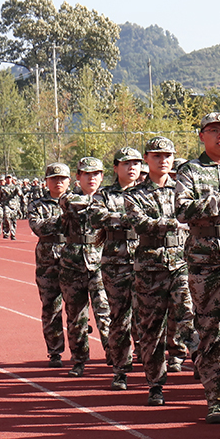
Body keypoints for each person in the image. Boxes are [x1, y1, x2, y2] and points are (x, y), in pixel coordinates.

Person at [175, 113, 220, 423]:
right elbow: (183, 209)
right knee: (210, 329)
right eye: (213, 131)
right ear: (203, 136)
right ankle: (215, 396)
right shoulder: (191, 170)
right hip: (205, 260)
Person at [125, 137, 195, 406]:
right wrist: (174, 224)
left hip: (181, 263)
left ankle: (205, 366)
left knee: (188, 317)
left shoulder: (183, 191)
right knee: (151, 329)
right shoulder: (134, 194)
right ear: (147, 159)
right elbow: (140, 224)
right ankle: (155, 383)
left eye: (168, 155)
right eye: (157, 156)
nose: (163, 160)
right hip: (150, 267)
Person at [57, 157, 112, 376]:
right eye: (86, 174)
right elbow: (72, 204)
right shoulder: (69, 198)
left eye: (96, 174)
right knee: (76, 315)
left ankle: (112, 353)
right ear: (78, 177)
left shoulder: (108, 197)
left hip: (100, 262)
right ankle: (79, 359)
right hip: (73, 264)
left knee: (104, 312)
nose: (91, 178)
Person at [95, 147, 144, 391]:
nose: (132, 167)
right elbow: (97, 217)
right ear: (116, 168)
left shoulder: (147, 192)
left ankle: (153, 368)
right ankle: (121, 369)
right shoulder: (104, 195)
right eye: (126, 163)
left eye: (136, 163)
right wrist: (133, 219)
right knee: (119, 317)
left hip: (147, 261)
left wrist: (120, 218)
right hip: (116, 263)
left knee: (148, 317)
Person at [28, 163, 70, 366]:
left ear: (70, 181)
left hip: (74, 260)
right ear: (46, 181)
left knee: (77, 307)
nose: (58, 181)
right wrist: (65, 220)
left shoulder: (78, 201)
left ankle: (80, 352)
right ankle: (55, 351)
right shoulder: (37, 205)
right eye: (54, 178)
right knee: (51, 307)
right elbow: (38, 228)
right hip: (47, 263)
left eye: (62, 178)